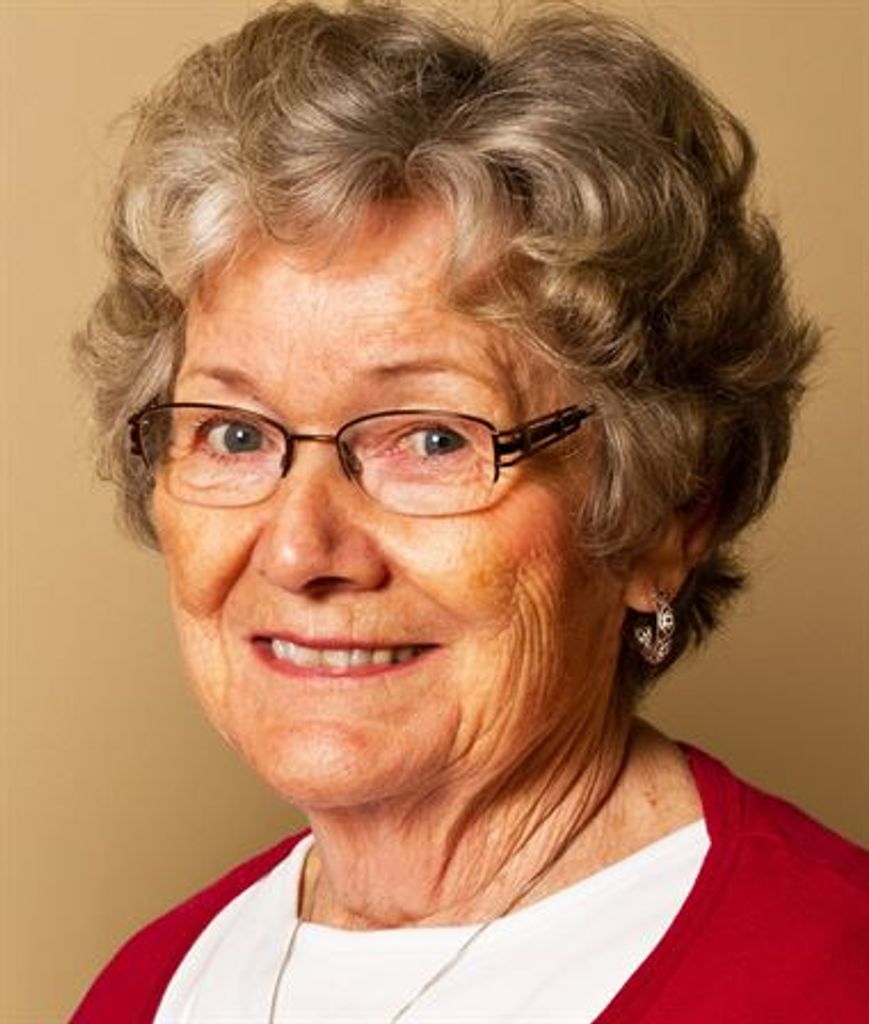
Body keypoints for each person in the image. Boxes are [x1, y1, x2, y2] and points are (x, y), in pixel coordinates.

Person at [70, 2, 867, 1021]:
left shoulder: (827, 977)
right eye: (233, 434)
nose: (302, 547)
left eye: (434, 440)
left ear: (668, 516)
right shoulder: (148, 987)